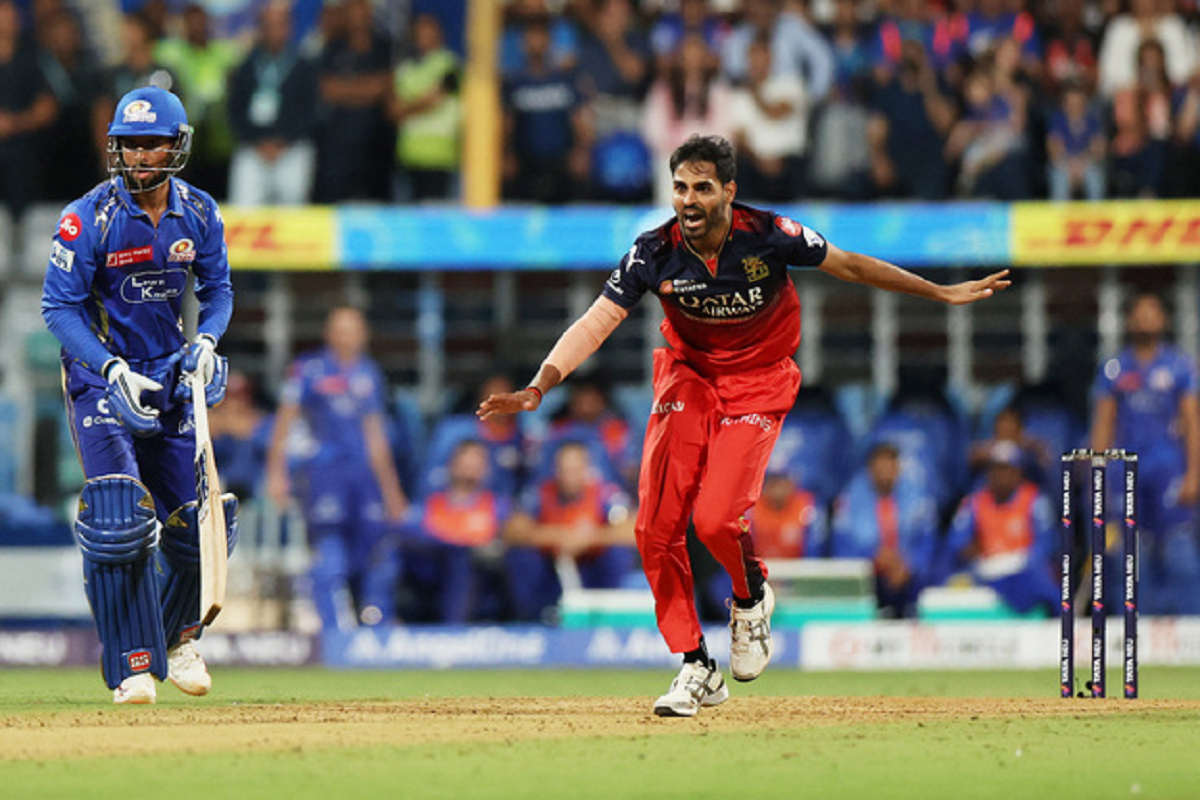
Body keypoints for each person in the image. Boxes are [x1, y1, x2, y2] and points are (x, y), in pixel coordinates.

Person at [478, 134, 1009, 717]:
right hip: (689, 380)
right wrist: (539, 386)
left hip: (758, 380)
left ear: (729, 191)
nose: (689, 199)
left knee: (714, 520)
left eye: (702, 188)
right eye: (680, 187)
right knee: (654, 528)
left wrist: (938, 292)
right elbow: (596, 321)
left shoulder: (770, 234)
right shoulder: (654, 251)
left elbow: (851, 265)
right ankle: (695, 665)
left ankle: (751, 595)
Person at [40, 86, 236, 704]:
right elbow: (58, 308)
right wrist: (110, 367)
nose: (139, 155)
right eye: (129, 143)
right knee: (118, 516)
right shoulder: (87, 218)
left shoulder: (198, 212)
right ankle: (131, 665)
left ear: (176, 146)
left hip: (170, 376)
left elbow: (218, 291)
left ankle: (177, 641)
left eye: (151, 143)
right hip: (102, 379)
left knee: (197, 525)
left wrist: (206, 342)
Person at [266, 306, 408, 631]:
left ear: (364, 334)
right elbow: (285, 422)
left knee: (377, 548)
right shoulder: (307, 369)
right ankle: (332, 628)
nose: (347, 336)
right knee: (329, 552)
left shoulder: (369, 373)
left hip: (364, 475)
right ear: (328, 333)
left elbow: (375, 434)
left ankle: (375, 623)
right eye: (340, 329)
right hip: (324, 474)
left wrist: (392, 490)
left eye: (353, 329)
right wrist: (277, 473)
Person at [1091, 293, 1200, 615]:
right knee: (1130, 555)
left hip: (1168, 469)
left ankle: (1191, 628)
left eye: (1152, 313)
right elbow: (1103, 424)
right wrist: (1099, 475)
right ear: (1129, 321)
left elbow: (1192, 423)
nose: (1145, 320)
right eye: (1139, 314)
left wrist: (1194, 474)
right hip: (1124, 471)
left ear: (1164, 320)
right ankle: (1135, 627)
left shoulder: (1179, 367)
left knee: (1179, 550)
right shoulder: (1114, 369)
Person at [503, 440, 637, 622]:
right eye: (564, 470)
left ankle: (608, 614)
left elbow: (631, 529)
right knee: (521, 554)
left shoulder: (604, 494)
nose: (569, 476)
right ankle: (532, 618)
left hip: (592, 564)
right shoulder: (540, 494)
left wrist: (589, 538)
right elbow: (512, 530)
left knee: (618, 551)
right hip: (552, 565)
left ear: (586, 469)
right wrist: (556, 536)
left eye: (575, 470)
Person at [943, 440, 1059, 615]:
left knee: (1044, 585)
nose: (1001, 476)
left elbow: (1045, 545)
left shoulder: (1034, 500)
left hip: (1024, 569)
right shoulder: (975, 502)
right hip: (985, 571)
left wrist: (1019, 562)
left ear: (1018, 472)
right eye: (997, 470)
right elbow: (955, 542)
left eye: (1007, 470)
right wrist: (969, 550)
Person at [226, 0, 319, 206]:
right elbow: (235, 110)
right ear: (260, 29)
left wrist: (282, 142)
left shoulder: (304, 67)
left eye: (279, 25)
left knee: (292, 206)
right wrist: (258, 142)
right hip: (254, 149)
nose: (273, 31)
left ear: (289, 28)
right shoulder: (246, 67)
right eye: (268, 25)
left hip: (292, 148)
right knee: (244, 203)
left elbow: (311, 111)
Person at [829, 442, 938, 618]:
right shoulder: (849, 500)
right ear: (869, 470)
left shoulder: (919, 498)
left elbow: (928, 543)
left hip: (908, 576)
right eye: (879, 468)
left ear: (898, 469)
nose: (884, 473)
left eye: (889, 467)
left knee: (928, 578)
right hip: (867, 577)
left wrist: (908, 564)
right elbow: (841, 548)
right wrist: (871, 557)